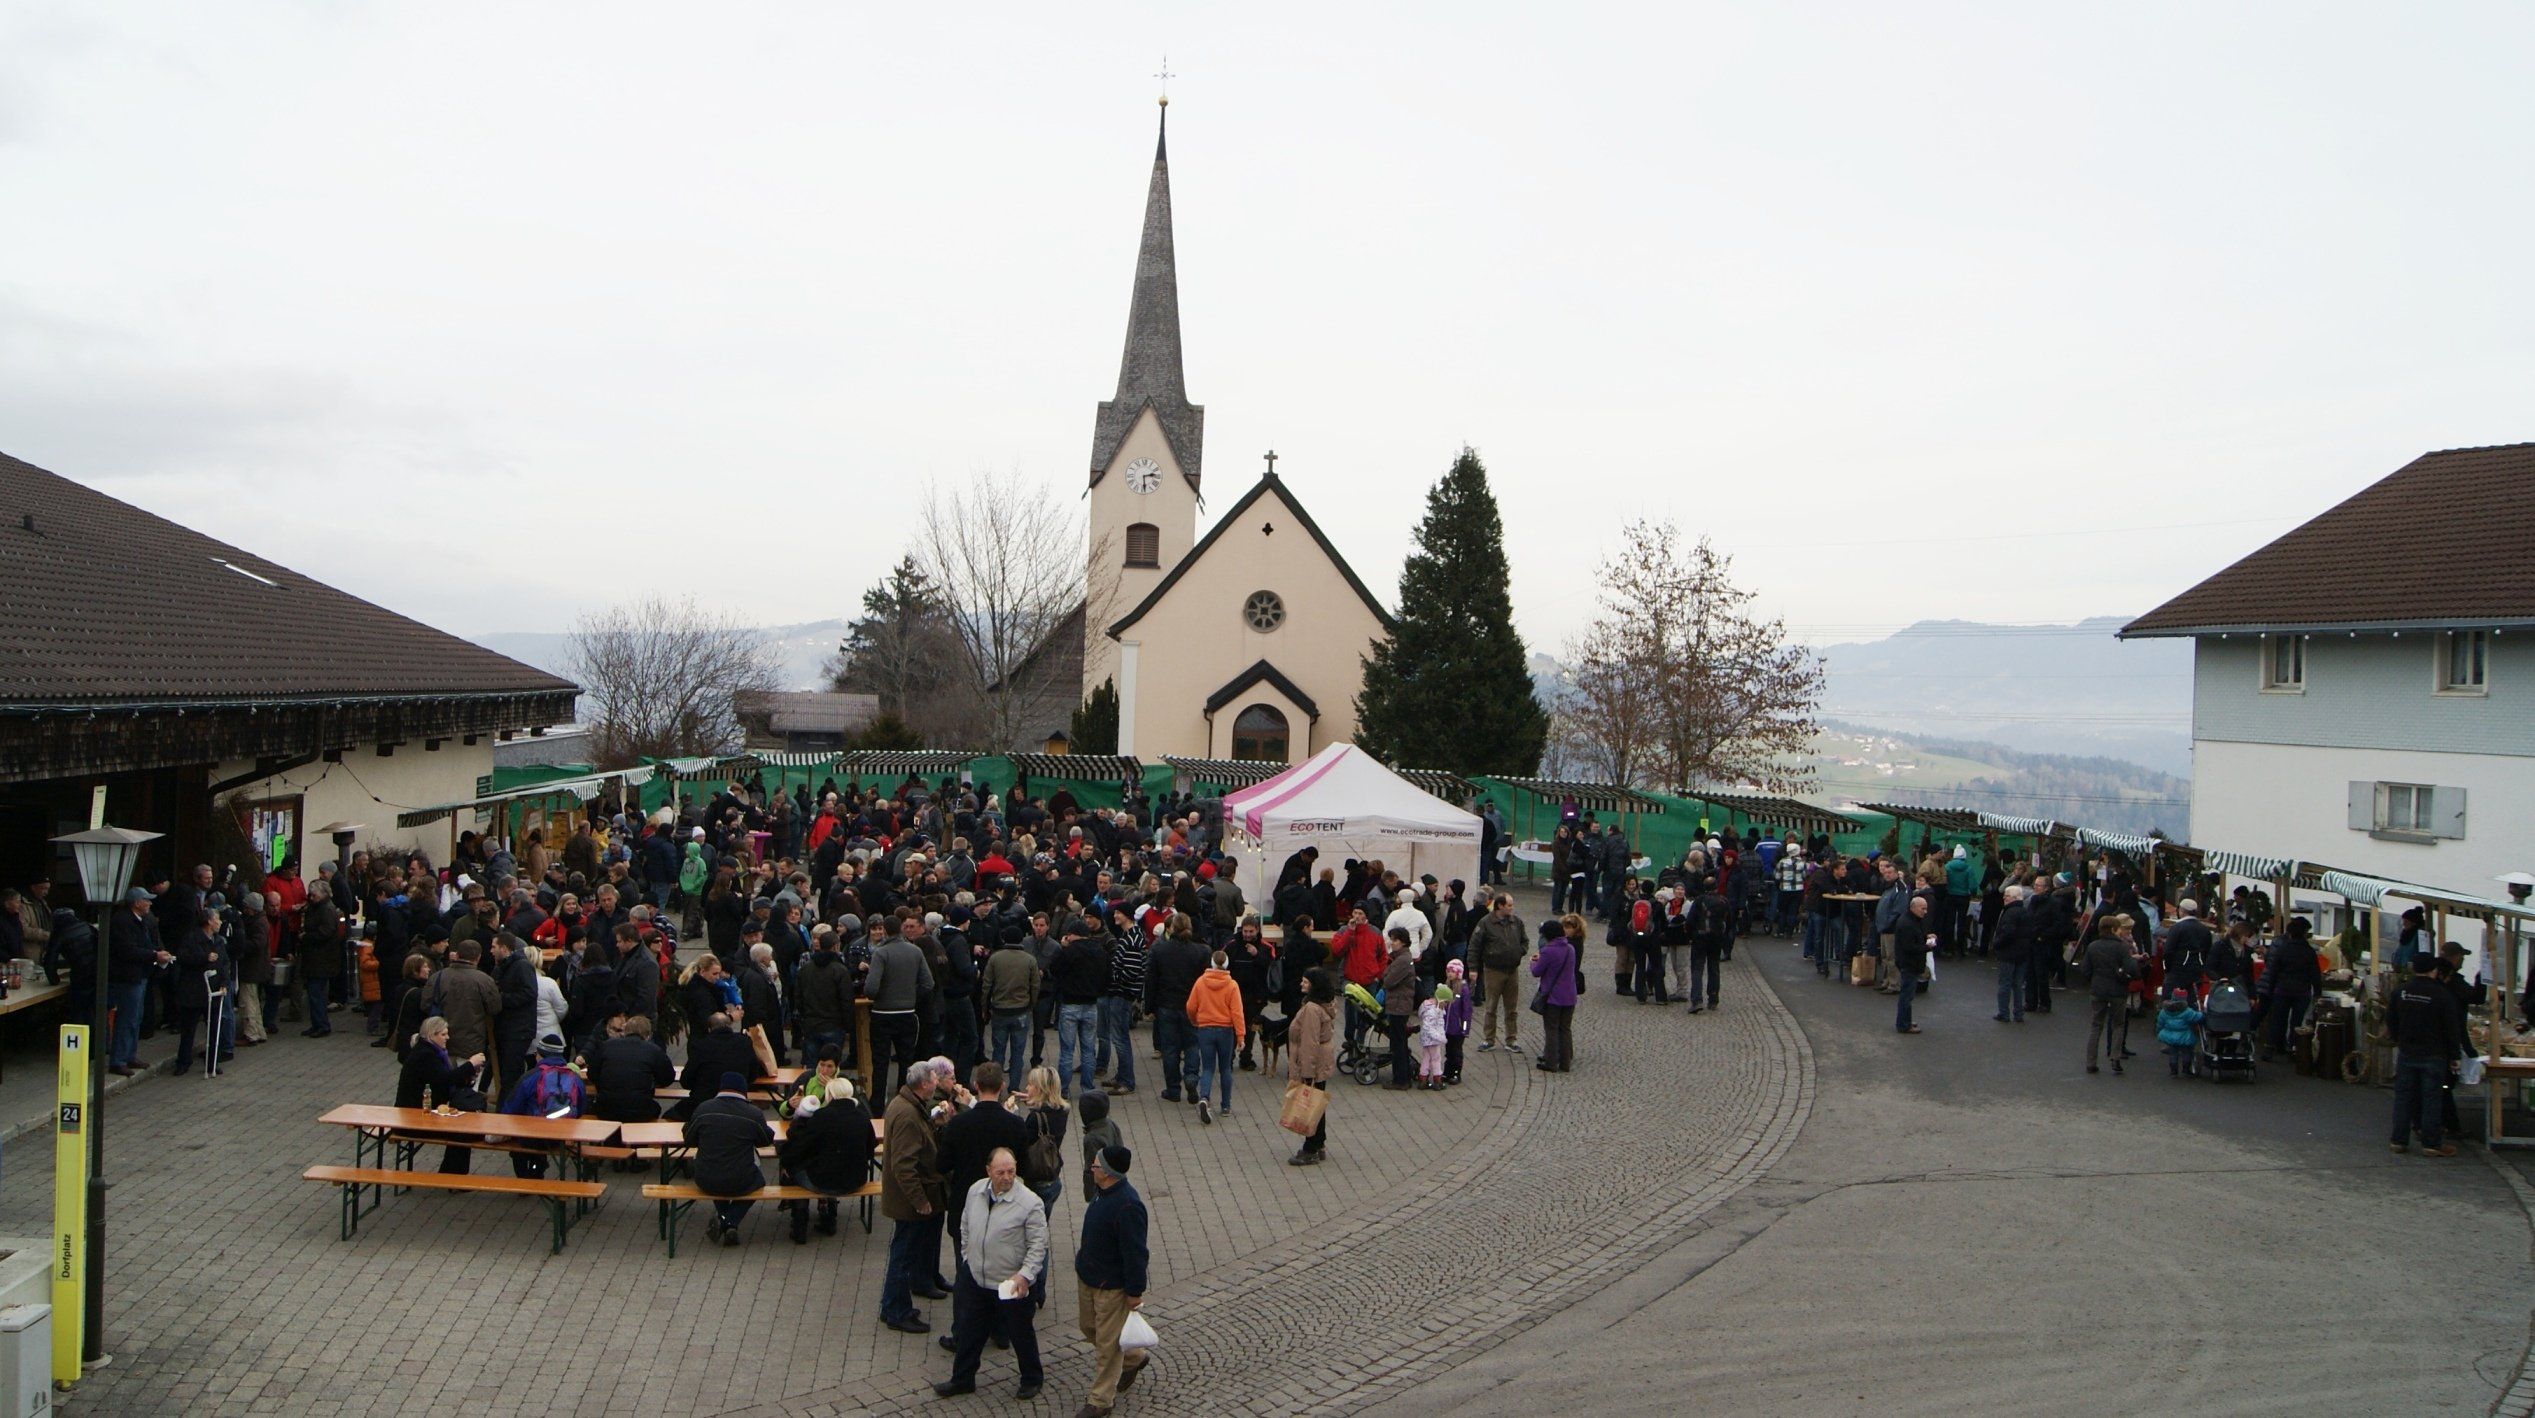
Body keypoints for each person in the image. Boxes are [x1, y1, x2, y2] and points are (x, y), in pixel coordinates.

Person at [934, 1146, 1049, 1401]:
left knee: (1020, 1333)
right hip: (977, 1279)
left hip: (1011, 1283)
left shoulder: (1030, 1203)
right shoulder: (975, 1191)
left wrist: (1024, 1276)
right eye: (1001, 1172)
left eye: (1011, 1171)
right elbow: (966, 1225)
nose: (1007, 1177)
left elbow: (1038, 1246)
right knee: (969, 1332)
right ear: (988, 1171)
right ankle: (962, 1379)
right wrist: (968, 1257)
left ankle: (1032, 1379)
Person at [1074, 1144, 1150, 1416]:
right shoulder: (1102, 1192)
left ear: (1106, 1173)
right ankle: (1134, 1357)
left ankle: (1101, 1401)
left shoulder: (1129, 1206)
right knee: (1089, 1328)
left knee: (1107, 1346)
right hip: (1089, 1277)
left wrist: (1134, 1292)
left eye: (1095, 1165)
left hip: (1111, 1287)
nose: (1091, 1168)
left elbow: (1136, 1253)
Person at [880, 1059, 953, 1332]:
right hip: (908, 1203)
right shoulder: (908, 1115)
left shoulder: (909, 1105)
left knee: (904, 1254)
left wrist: (935, 1123)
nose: (937, 1082)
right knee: (904, 1257)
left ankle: (892, 1305)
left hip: (908, 1198)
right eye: (934, 1078)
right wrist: (920, 1201)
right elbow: (904, 1166)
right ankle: (897, 1311)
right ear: (924, 1084)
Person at [939, 1063, 1035, 1265]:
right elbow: (1025, 1168)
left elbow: (942, 1164)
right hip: (1004, 1205)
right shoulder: (1015, 1124)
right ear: (1002, 1086)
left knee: (965, 1265)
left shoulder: (958, 1124)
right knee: (1002, 1265)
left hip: (965, 1204)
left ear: (976, 1085)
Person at [778, 1076, 876, 1242]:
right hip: (856, 1180)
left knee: (795, 1169)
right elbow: (870, 1147)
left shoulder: (822, 1116)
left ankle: (799, 1224)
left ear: (830, 1094)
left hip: (824, 1182)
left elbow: (802, 1147)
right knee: (829, 1165)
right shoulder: (862, 1116)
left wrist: (785, 1162)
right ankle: (828, 1217)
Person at [685, 1071, 775, 1243]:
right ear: (743, 1090)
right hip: (741, 1180)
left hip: (705, 1178)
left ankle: (725, 1221)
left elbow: (689, 1139)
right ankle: (729, 1221)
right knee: (758, 1181)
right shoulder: (753, 1113)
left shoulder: (703, 1109)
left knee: (716, 1169)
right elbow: (765, 1140)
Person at [2386, 955, 2463, 1156]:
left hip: (2407, 1051)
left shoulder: (2401, 991)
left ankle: (2398, 1140)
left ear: (2414, 969)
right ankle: (2431, 1143)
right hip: (2434, 1053)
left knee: (2404, 1097)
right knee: (2431, 1099)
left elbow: (2391, 1019)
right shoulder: (2442, 994)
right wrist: (2454, 1055)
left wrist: (2399, 1039)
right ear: (2434, 970)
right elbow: (2451, 1027)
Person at [394, 1016, 484, 1173]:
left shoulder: (430, 1052)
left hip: (420, 1114)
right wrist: (470, 1064)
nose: (447, 1037)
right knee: (462, 1133)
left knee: (463, 1131)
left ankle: (451, 1173)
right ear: (431, 1035)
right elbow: (445, 1079)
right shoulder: (425, 1056)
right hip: (414, 1118)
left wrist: (469, 1075)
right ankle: (452, 1175)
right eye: (443, 1034)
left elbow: (444, 1080)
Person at [499, 1032, 586, 1178]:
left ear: (540, 1055)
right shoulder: (574, 1078)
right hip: (563, 1137)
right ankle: (537, 1170)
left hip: (533, 1137)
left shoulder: (531, 1077)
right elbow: (582, 1108)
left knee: (518, 1142)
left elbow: (510, 1109)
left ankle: (525, 1177)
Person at [1186, 947, 1245, 1121]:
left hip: (1205, 1028)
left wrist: (1195, 1020)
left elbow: (1190, 1006)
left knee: (1207, 1068)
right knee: (1225, 1068)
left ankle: (1204, 1097)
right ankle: (1225, 1105)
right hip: (1225, 1030)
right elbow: (1237, 1012)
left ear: (1211, 963)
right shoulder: (1232, 985)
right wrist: (1241, 1036)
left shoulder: (1200, 982)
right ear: (1226, 964)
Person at [584, 1015, 675, 1129]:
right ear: (648, 1035)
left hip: (606, 1109)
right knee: (654, 1108)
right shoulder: (653, 1050)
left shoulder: (607, 1046)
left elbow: (592, 1074)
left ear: (625, 1031)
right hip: (640, 1111)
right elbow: (668, 1078)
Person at [1286, 968, 1337, 1165]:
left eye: (1306, 982)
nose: (1302, 984)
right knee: (1318, 1103)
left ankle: (1311, 1147)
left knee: (1311, 1105)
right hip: (1322, 1061)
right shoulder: (1325, 1004)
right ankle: (1319, 1143)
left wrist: (1307, 1073)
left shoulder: (1311, 1009)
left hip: (1313, 1065)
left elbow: (1309, 1042)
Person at [980, 927, 1041, 1084]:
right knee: (1018, 1053)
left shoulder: (995, 958)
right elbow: (1035, 985)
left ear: (1004, 939)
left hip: (999, 1010)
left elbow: (986, 985)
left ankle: (994, 1085)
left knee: (998, 1051)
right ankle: (1014, 1086)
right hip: (1021, 1010)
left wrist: (985, 1007)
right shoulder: (1030, 960)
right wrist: (1031, 1004)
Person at [2082, 915, 2142, 1075]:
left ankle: (2091, 1061)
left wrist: (2093, 980)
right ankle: (2115, 1057)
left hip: (2098, 989)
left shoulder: (2093, 946)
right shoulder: (2122, 947)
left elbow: (2085, 969)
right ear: (2115, 929)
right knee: (2118, 1024)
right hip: (2118, 990)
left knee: (2096, 1025)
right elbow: (2132, 969)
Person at [674, 1012, 760, 1121]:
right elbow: (753, 1075)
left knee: (671, 1115)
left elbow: (686, 1081)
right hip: (737, 1103)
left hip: (703, 1104)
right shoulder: (744, 1042)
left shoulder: (701, 1046)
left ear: (709, 1029)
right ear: (730, 1025)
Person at [2259, 917, 2323, 1060]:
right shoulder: (2309, 952)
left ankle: (2270, 1048)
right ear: (2304, 933)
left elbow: (2274, 971)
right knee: (2296, 1021)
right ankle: (2293, 1048)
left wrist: (2271, 989)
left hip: (2282, 989)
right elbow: (2315, 974)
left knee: (2277, 1019)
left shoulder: (2282, 949)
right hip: (2302, 991)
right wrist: (2318, 992)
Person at [1471, 894, 1526, 1055]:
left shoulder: (1516, 922)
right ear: (1500, 906)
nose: (1512, 908)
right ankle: (1489, 1039)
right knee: (1491, 1006)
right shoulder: (1486, 923)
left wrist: (1519, 952)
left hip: (1512, 970)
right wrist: (1473, 968)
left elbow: (1525, 941)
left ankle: (1511, 1039)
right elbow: (1474, 946)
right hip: (1493, 970)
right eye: (1509, 905)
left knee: (1511, 1008)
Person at [1013, 1066, 1070, 1218]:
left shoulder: (1035, 1118)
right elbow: (1048, 1114)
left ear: (1040, 1089)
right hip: (1053, 1178)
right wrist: (1034, 1101)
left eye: (1030, 1084)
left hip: (1037, 1182)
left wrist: (1011, 1115)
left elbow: (1022, 1144)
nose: (1026, 1088)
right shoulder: (1062, 1111)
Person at [1529, 919, 1578, 1073]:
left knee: (1551, 1029)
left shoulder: (1548, 951)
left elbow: (1536, 971)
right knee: (1565, 1029)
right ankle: (1565, 1063)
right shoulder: (1570, 949)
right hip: (1570, 995)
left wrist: (1533, 962)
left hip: (1553, 996)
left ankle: (1551, 1062)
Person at [1379, 928, 1418, 1090]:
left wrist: (1386, 975)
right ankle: (1403, 1077)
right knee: (1399, 1042)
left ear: (1402, 942)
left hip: (1398, 1005)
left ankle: (1401, 1079)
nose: (1391, 943)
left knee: (1398, 1044)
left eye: (1395, 940)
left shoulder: (1402, 960)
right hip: (1399, 1004)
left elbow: (1388, 981)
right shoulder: (1401, 958)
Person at [1989, 885, 2035, 1024]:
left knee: (2005, 984)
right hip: (2023, 953)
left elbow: (2007, 933)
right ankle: (2018, 1013)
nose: (2004, 897)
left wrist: (1996, 943)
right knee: (2018, 984)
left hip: (2008, 953)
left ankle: (2004, 1013)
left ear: (2014, 898)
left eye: (2007, 895)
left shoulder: (2009, 913)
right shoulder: (2026, 911)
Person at [1894, 896, 1935, 1035]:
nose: (1925, 912)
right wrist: (1927, 947)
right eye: (1923, 908)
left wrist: (1926, 937)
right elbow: (1910, 947)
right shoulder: (1907, 924)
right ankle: (1903, 1025)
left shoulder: (1912, 920)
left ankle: (1906, 1020)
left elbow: (1915, 938)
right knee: (1907, 996)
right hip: (1908, 963)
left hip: (1909, 963)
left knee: (1908, 995)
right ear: (1913, 907)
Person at [2155, 987, 2204, 1078]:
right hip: (2185, 1036)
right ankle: (2186, 1069)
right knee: (2186, 1052)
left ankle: (2173, 1071)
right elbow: (2197, 1017)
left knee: (2173, 1053)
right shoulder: (2187, 1011)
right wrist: (2203, 1014)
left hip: (2170, 1036)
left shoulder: (2164, 1011)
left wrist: (2158, 1031)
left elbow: (2160, 1023)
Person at [1439, 959, 1472, 1085]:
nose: (1449, 974)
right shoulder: (1446, 987)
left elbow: (1467, 1010)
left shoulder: (1463, 989)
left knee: (1456, 1051)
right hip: (1447, 1027)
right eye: (1448, 971)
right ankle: (1447, 1072)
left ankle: (1456, 1073)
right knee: (1449, 1051)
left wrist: (1465, 1028)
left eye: (1452, 971)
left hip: (1457, 1027)